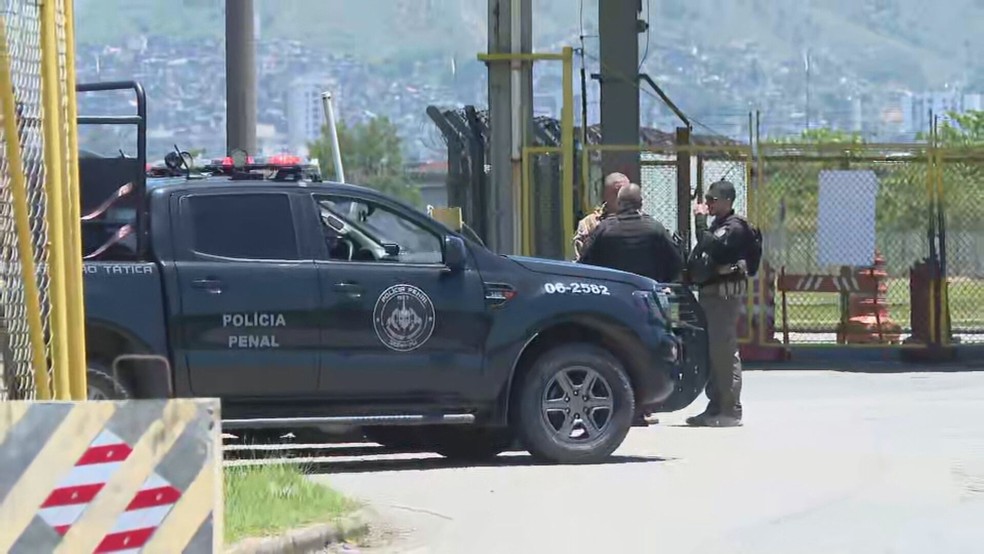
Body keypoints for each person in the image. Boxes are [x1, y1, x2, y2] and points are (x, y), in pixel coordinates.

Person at [685, 179, 760, 428]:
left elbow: (713, 246)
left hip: (723, 297)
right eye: (707, 199)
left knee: (724, 351)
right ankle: (715, 405)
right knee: (713, 353)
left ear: (727, 201)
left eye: (713, 200)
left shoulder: (735, 227)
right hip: (711, 294)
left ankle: (730, 409)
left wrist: (699, 221)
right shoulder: (719, 225)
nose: (708, 204)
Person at [578, 183, 683, 284]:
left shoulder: (604, 228)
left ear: (619, 203)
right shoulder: (655, 228)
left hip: (613, 289)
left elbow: (585, 261)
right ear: (641, 203)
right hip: (647, 289)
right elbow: (675, 261)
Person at [572, 172, 630, 261]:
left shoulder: (641, 222)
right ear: (605, 195)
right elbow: (578, 261)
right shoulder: (589, 224)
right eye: (616, 193)